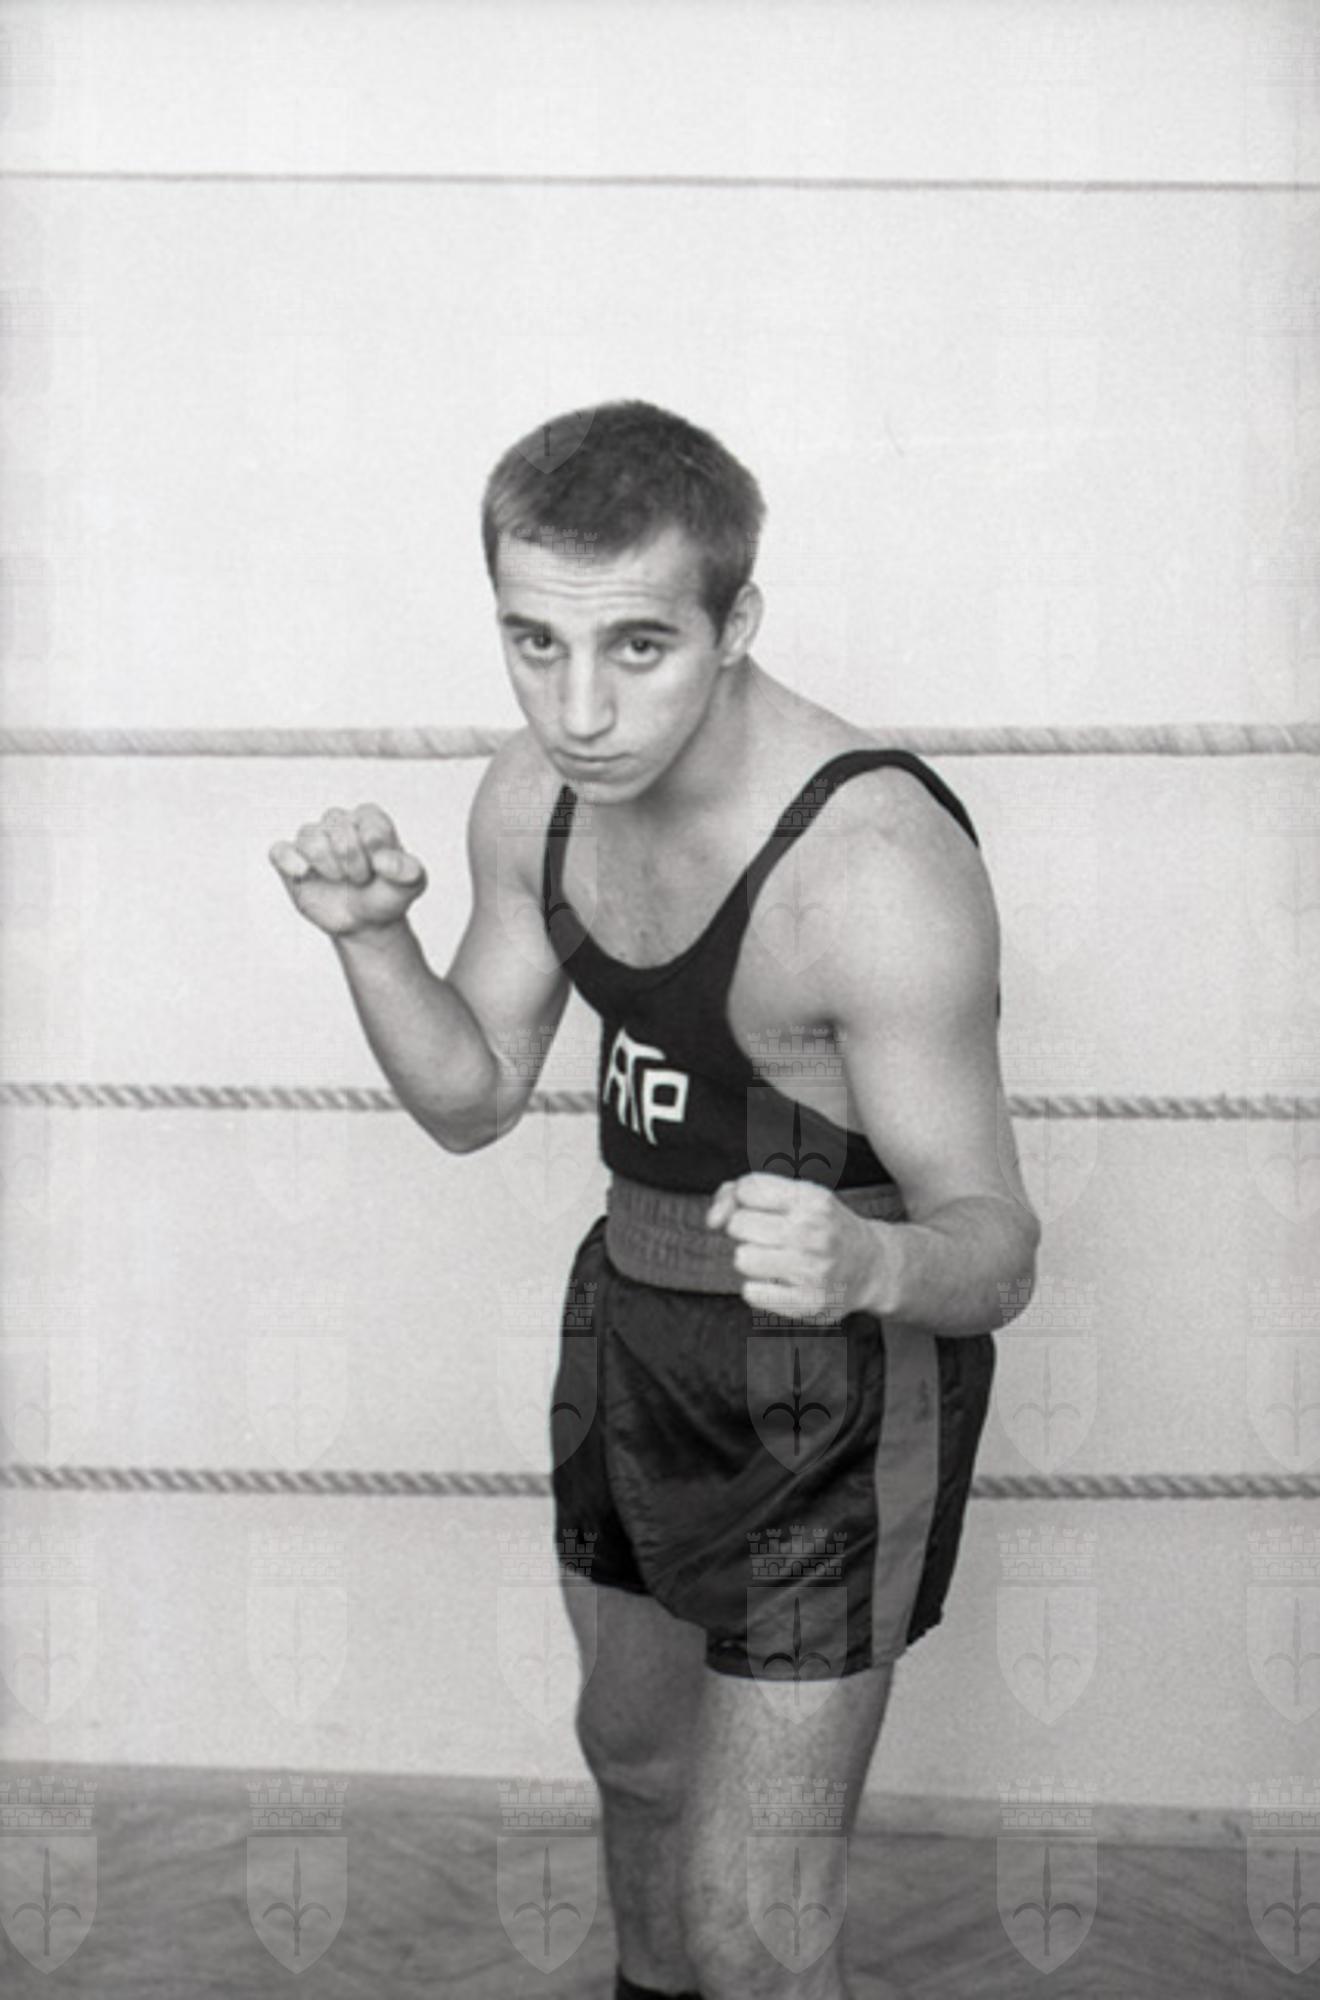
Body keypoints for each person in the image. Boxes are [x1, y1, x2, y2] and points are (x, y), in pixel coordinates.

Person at [269, 401, 1041, 2000]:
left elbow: (998, 1249)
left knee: (755, 1924)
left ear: (735, 622)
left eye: (637, 647)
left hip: (832, 1395)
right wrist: (374, 944)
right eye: (534, 645)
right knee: (631, 1765)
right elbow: (474, 1099)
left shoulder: (871, 868)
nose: (581, 708)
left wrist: (873, 1260)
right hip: (628, 1330)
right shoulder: (533, 799)